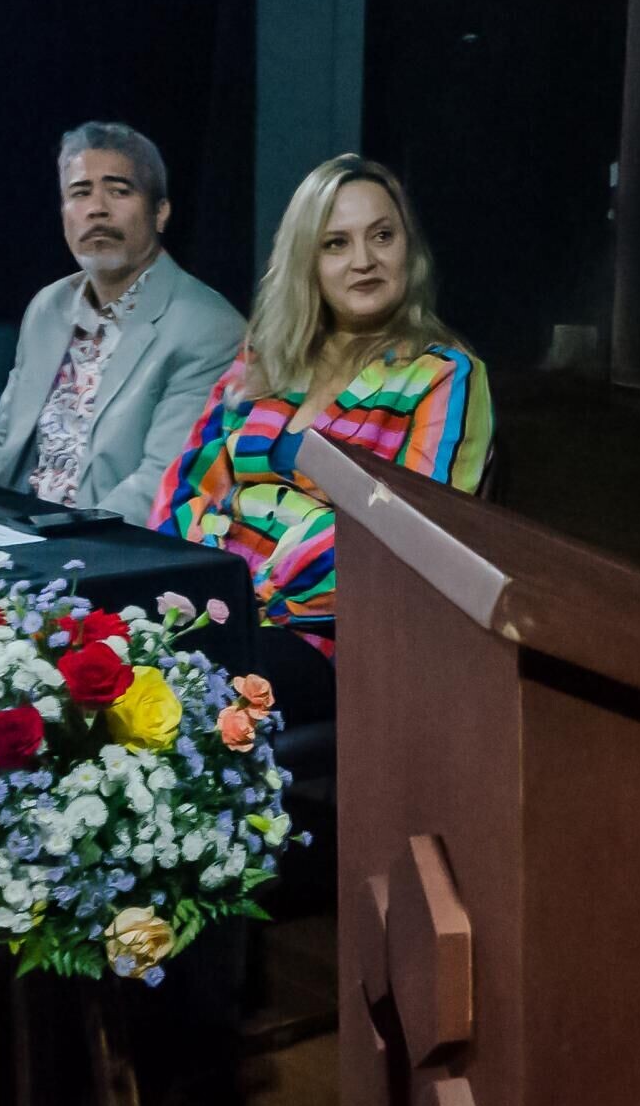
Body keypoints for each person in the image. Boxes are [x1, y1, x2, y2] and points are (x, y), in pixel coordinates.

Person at [151, 154, 491, 720]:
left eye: (382, 236)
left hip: (330, 640)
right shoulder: (265, 358)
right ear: (306, 260)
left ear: (409, 249)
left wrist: (245, 591)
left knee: (175, 695)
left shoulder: (444, 376)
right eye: (336, 243)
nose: (364, 260)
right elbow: (187, 485)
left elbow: (404, 541)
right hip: (209, 606)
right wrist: (191, 587)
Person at [0, 122, 245, 518]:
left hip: (106, 542)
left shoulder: (206, 327)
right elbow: (2, 447)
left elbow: (160, 484)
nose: (97, 209)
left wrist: (54, 540)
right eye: (79, 192)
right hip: (18, 527)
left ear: (161, 212)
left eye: (119, 191)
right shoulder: (48, 307)